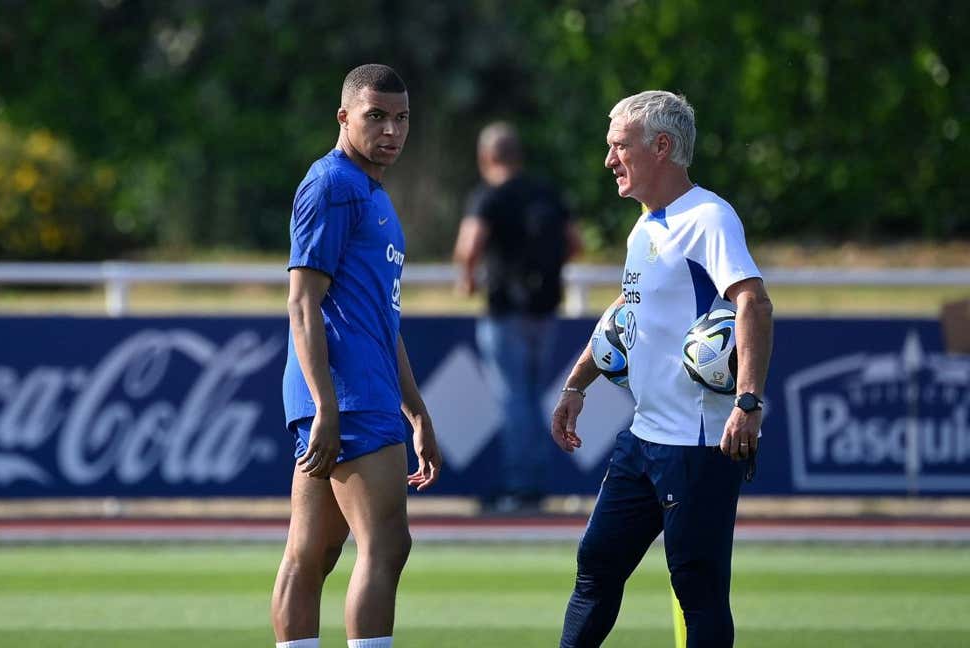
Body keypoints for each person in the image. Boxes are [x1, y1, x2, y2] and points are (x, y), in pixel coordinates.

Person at [549, 91, 773, 647]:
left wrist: (748, 401)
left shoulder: (708, 217)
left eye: (620, 146)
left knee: (698, 592)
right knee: (595, 568)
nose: (609, 160)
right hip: (643, 438)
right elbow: (625, 313)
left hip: (697, 446)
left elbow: (754, 302)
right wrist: (578, 382)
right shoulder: (645, 226)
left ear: (662, 146)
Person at [271, 64, 442, 648]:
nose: (391, 130)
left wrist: (415, 409)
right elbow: (302, 301)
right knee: (387, 541)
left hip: (357, 388)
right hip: (344, 390)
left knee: (312, 551)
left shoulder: (372, 192)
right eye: (376, 117)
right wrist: (325, 403)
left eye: (401, 118)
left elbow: (379, 319)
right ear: (343, 118)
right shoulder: (333, 185)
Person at [452, 121, 580, 513]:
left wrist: (469, 279)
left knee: (514, 401)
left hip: (505, 310)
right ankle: (535, 482)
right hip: (545, 310)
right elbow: (576, 243)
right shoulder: (545, 191)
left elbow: (469, 246)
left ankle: (521, 487)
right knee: (536, 398)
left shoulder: (488, 196)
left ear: (485, 157)